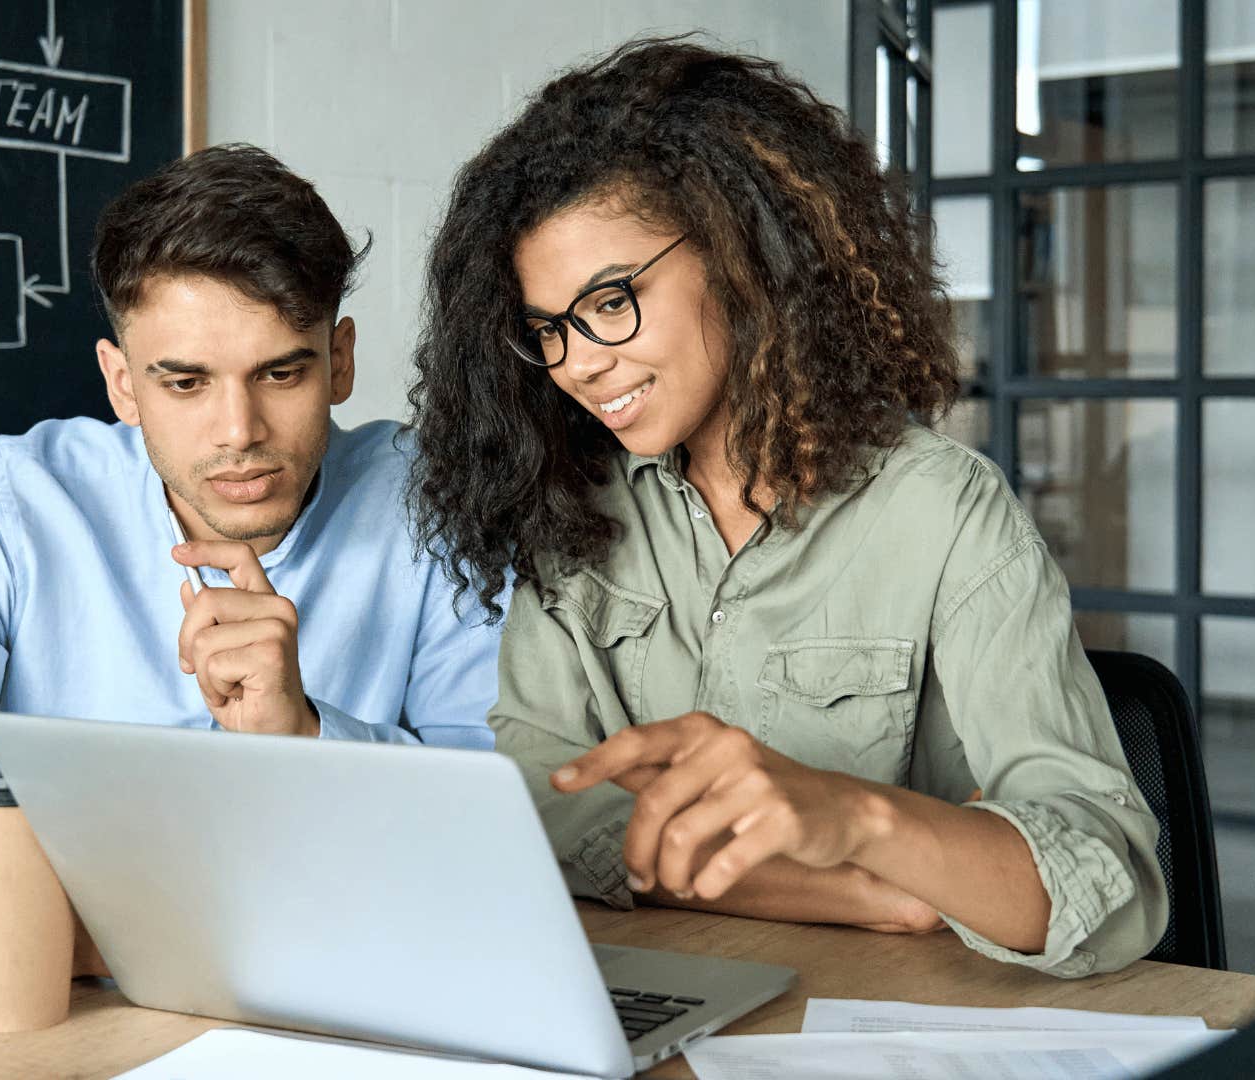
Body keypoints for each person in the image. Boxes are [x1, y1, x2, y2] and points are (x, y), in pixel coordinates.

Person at [407, 40, 1165, 977]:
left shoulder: (945, 513)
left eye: (610, 302)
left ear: (741, 256)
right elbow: (535, 813)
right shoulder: (572, 510)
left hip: (899, 1030)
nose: (580, 362)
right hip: (654, 1001)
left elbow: (1109, 887)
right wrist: (866, 892)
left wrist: (851, 815)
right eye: (548, 330)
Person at [0, 145, 500, 944]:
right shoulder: (0, 505)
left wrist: (307, 737)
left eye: (281, 375)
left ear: (340, 359)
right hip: (75, 996)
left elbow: (495, 824)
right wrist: (78, 922)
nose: (239, 433)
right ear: (122, 385)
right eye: (185, 383)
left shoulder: (435, 501)